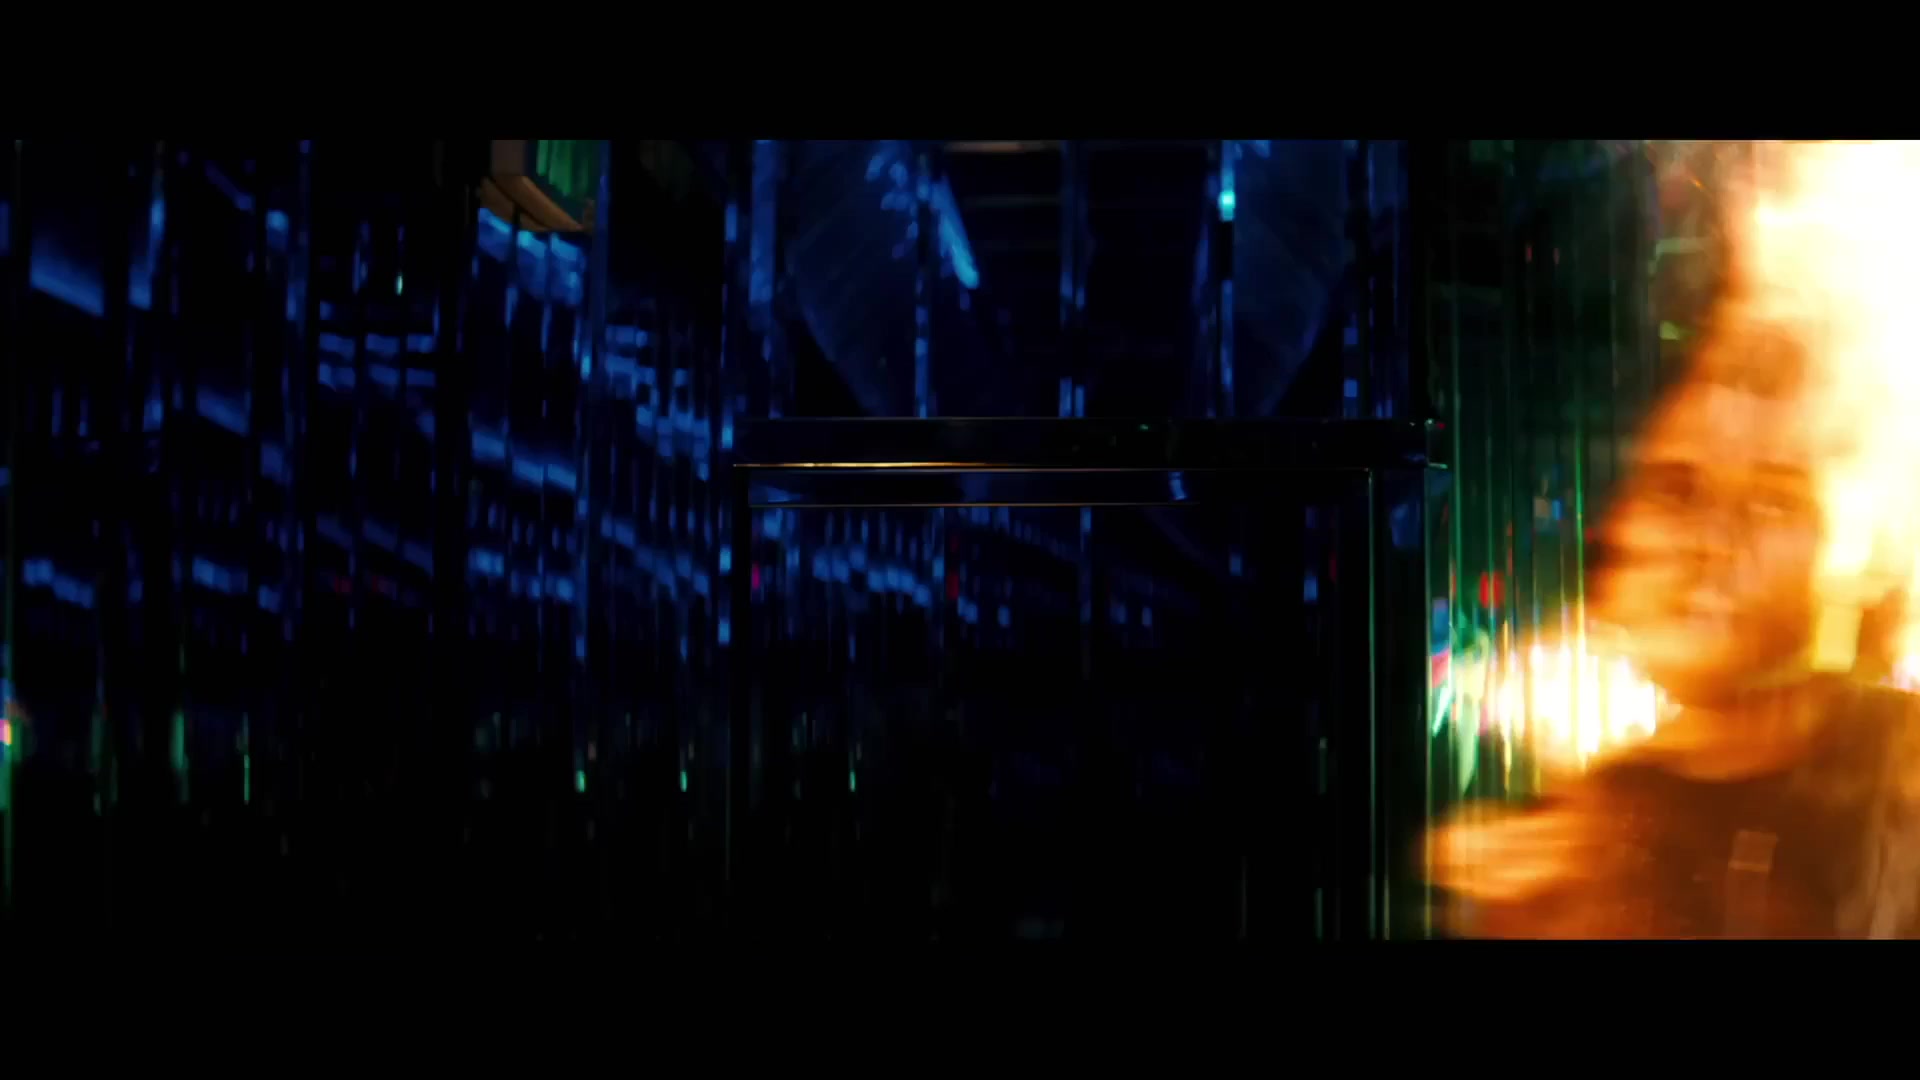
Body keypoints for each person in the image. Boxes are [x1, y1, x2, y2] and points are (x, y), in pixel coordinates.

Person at [1430, 142, 1920, 938]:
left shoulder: (1896, 789)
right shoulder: (1578, 855)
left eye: (1770, 502)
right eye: (1675, 488)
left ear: (1859, 549)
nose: (1709, 544)